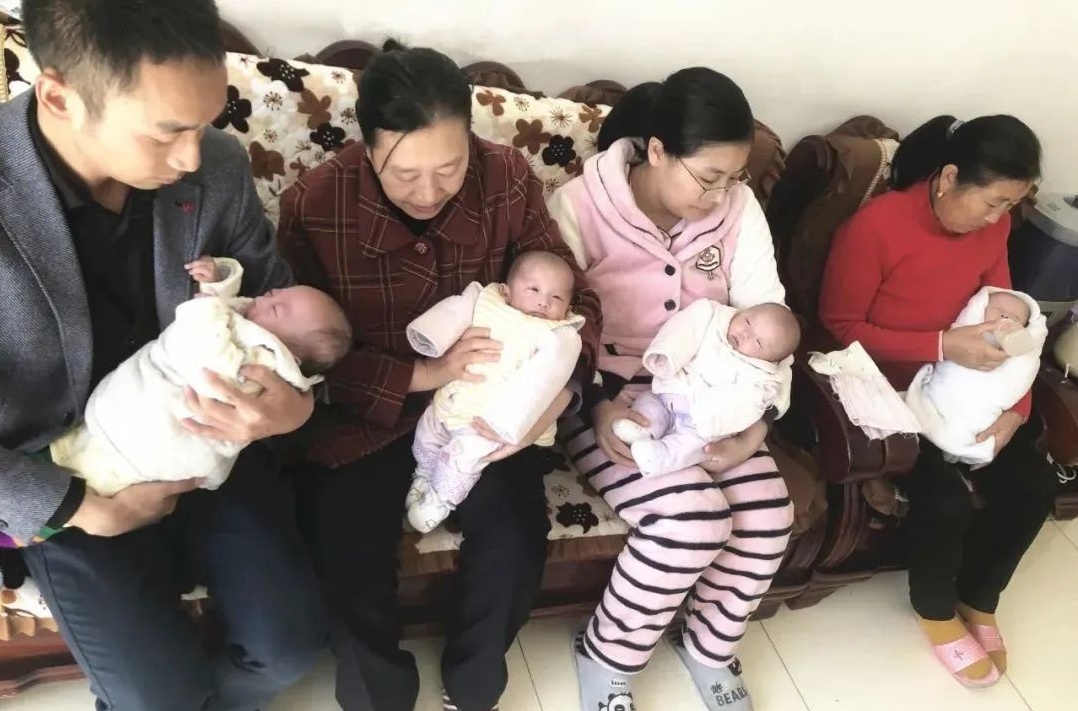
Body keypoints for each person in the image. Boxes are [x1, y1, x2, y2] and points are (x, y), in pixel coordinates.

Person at [0, 1, 328, 708]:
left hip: (206, 440)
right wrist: (82, 508)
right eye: (167, 131)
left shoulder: (215, 164)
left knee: (289, 651)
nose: (192, 158)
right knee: (157, 698)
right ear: (58, 96)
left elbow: (276, 300)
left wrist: (295, 407)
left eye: (204, 123)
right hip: (69, 469)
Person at [276, 41, 601, 711]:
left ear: (471, 142)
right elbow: (297, 357)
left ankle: (472, 685)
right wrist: (423, 372)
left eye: (449, 169)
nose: (428, 192)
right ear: (368, 149)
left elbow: (578, 300)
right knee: (344, 549)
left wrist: (555, 399)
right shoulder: (315, 203)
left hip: (483, 408)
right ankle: (380, 698)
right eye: (404, 174)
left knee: (514, 534)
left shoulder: (506, 177)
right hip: (364, 416)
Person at [547, 68, 796, 711]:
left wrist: (759, 425)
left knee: (769, 516)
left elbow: (769, 312)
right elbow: (555, 328)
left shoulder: (739, 208)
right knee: (690, 521)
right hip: (610, 394)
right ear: (657, 150)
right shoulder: (578, 206)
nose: (721, 195)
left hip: (720, 390)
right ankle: (605, 655)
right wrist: (598, 405)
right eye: (708, 177)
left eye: (734, 177)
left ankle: (707, 646)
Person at [819, 114, 1055, 687]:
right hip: (887, 388)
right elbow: (839, 326)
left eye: (1010, 205)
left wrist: (1015, 411)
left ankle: (980, 597)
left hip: (963, 382)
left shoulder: (994, 228)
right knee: (943, 498)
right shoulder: (876, 228)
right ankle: (935, 610)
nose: (999, 218)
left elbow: (1007, 315)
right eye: (993, 202)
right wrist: (943, 345)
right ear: (949, 177)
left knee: (1034, 484)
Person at [51, 256, 352, 497]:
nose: (269, 294)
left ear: (288, 354)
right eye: (280, 293)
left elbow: (205, 352)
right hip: (119, 416)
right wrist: (219, 282)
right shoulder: (257, 330)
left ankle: (48, 515)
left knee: (90, 473)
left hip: (154, 436)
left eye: (276, 308)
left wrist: (208, 300)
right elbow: (231, 312)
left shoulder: (260, 362)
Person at [405, 251, 586, 533]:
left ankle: (440, 500)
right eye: (534, 290)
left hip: (490, 420)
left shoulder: (559, 335)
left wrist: (512, 424)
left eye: (556, 298)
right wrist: (431, 337)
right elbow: (455, 312)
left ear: (568, 307)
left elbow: (545, 380)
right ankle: (424, 474)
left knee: (466, 456)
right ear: (506, 290)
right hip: (453, 398)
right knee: (428, 429)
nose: (544, 302)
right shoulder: (486, 299)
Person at [613, 300, 799, 477]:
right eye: (747, 321)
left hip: (701, 422)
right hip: (670, 391)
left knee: (695, 445)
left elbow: (745, 404)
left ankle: (660, 456)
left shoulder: (762, 379)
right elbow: (685, 330)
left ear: (769, 360)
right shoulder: (712, 316)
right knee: (649, 402)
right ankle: (643, 429)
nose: (745, 334)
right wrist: (667, 356)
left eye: (758, 342)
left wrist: (708, 415)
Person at [905, 287, 1046, 467]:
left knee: (1037, 473)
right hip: (920, 400)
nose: (1005, 317)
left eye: (1015, 317)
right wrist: (943, 345)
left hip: (984, 424)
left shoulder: (1003, 294)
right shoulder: (967, 324)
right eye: (999, 311)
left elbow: (1023, 371)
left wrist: (1018, 412)